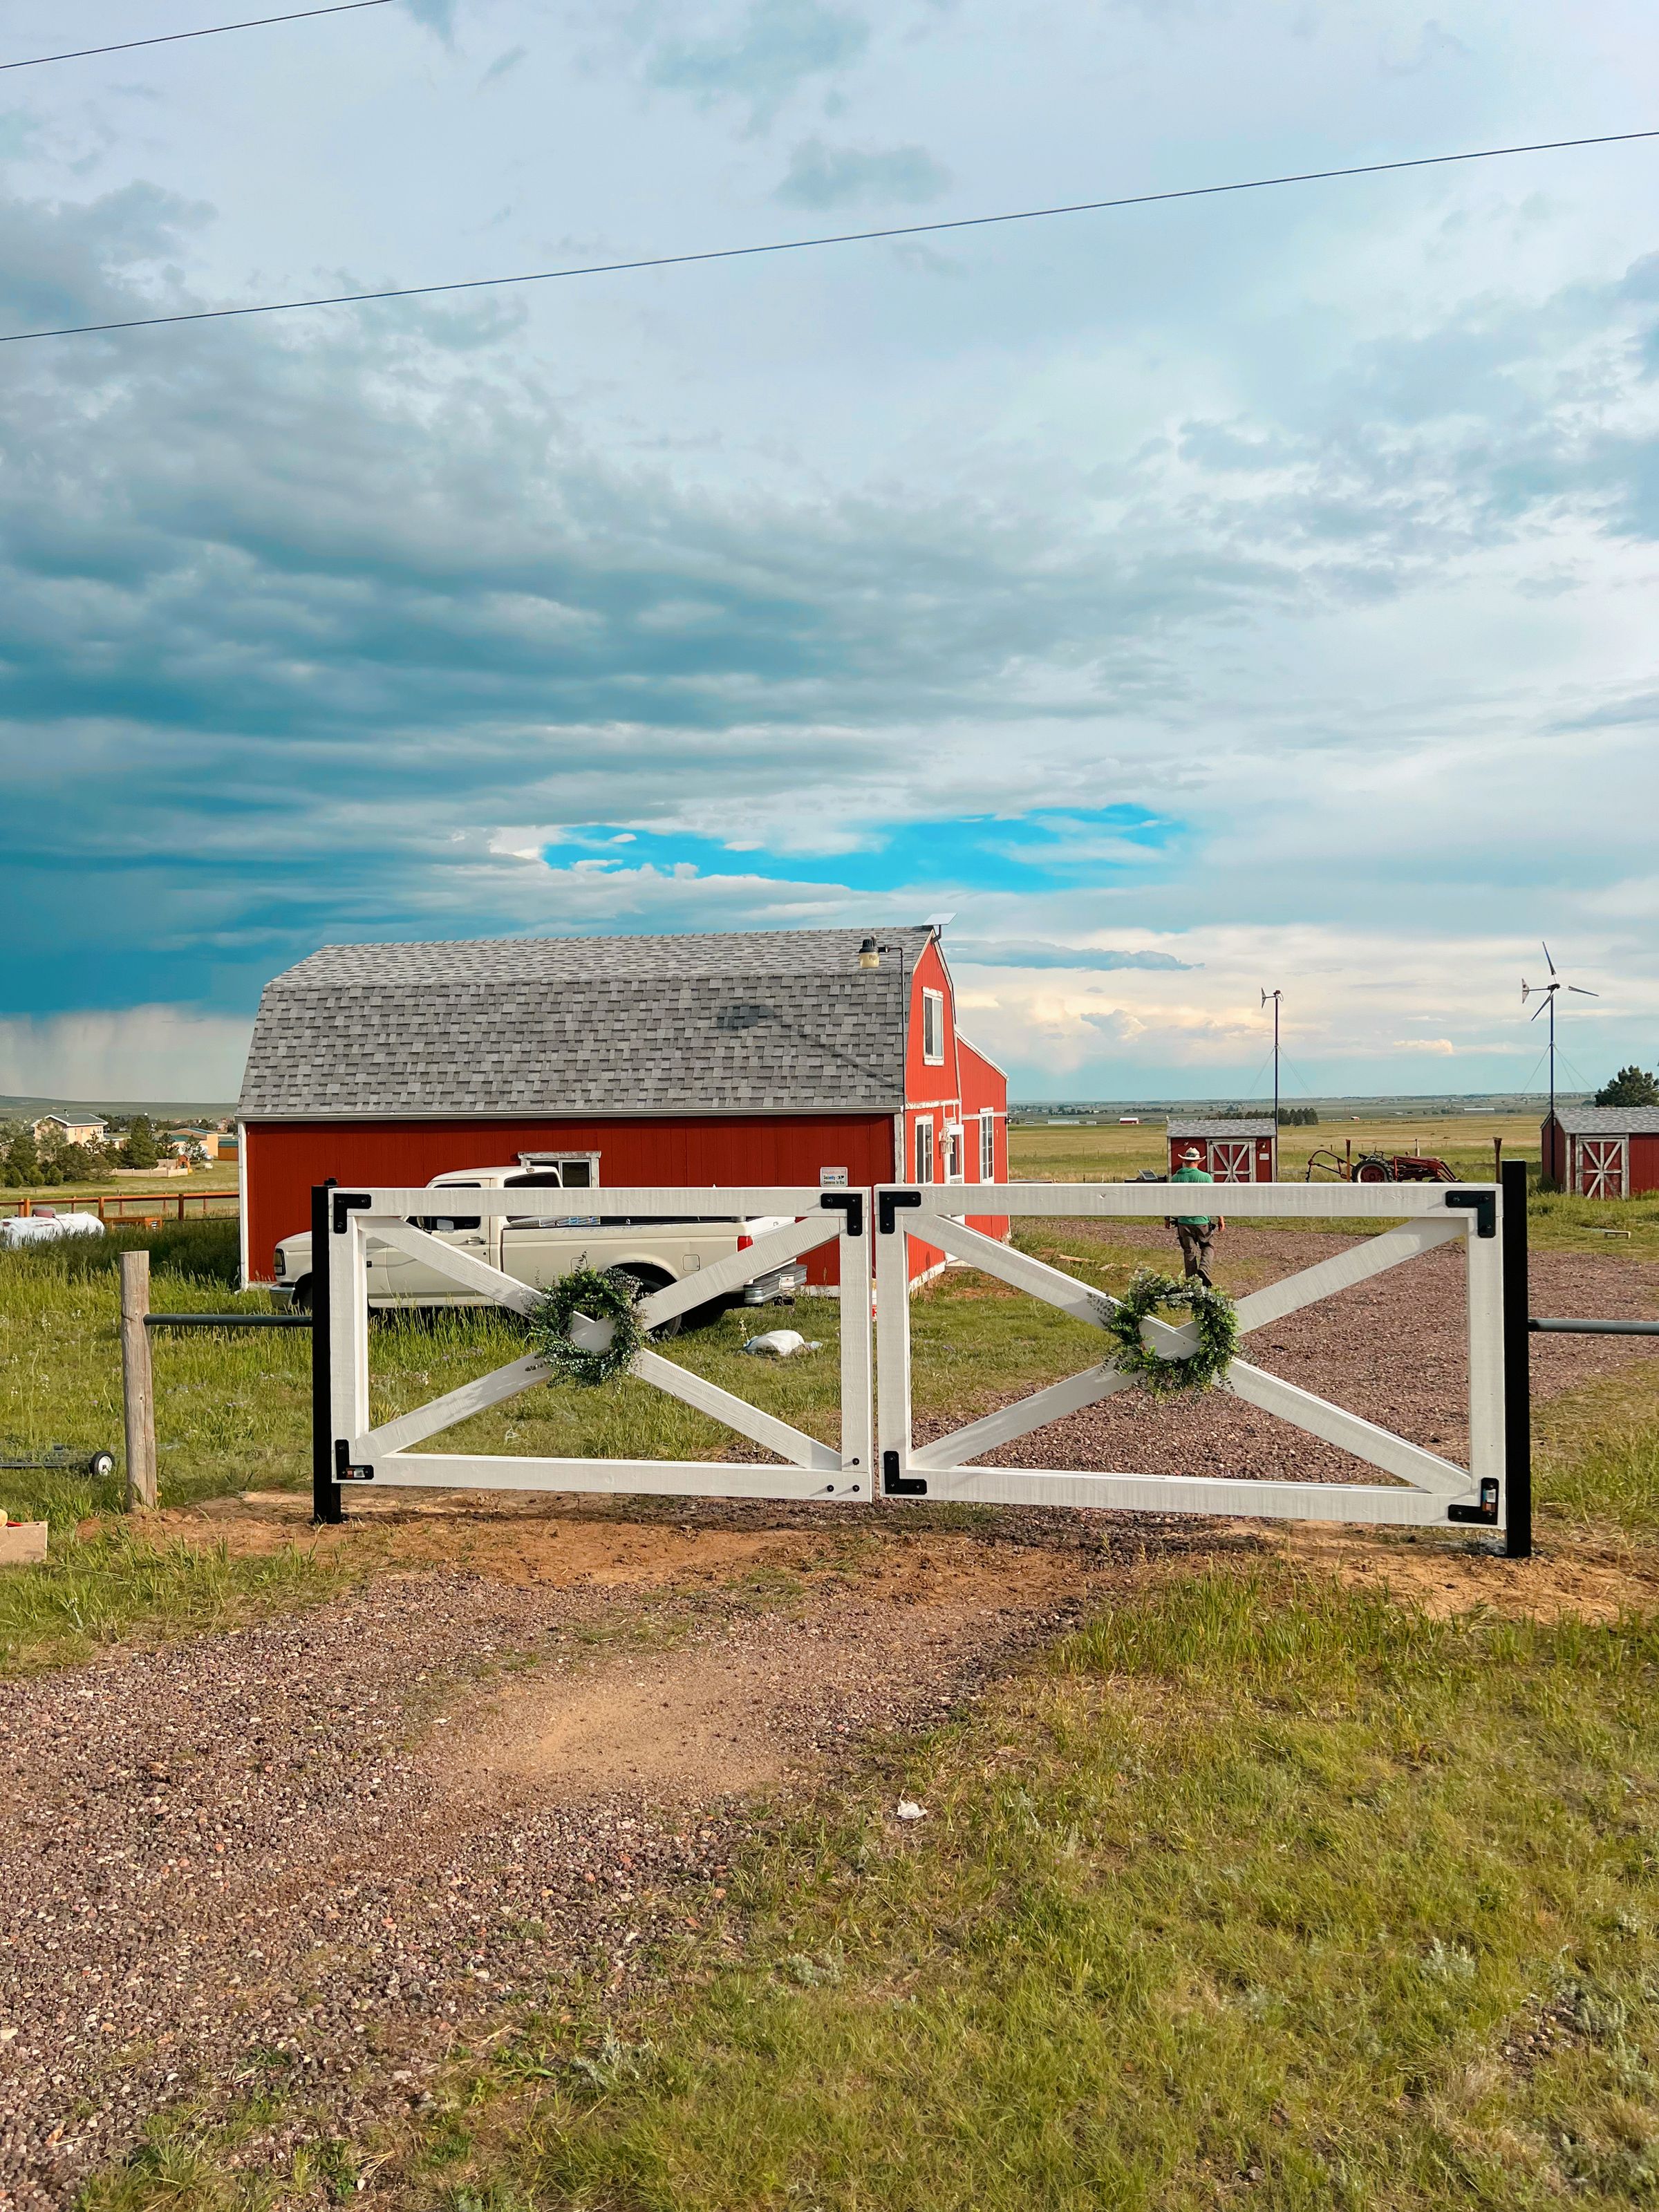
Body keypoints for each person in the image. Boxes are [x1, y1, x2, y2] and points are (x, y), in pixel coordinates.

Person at [1165, 1145, 1225, 1284]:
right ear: (1198, 1162)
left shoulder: (1175, 1178)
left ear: (1184, 1161)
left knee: (1189, 1252)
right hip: (1202, 1220)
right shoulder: (1206, 1178)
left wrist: (1167, 1218)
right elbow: (1213, 1199)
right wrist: (1221, 1217)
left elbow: (1169, 1200)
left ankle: (1192, 1283)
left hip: (1183, 1222)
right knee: (1208, 1246)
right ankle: (1204, 1269)